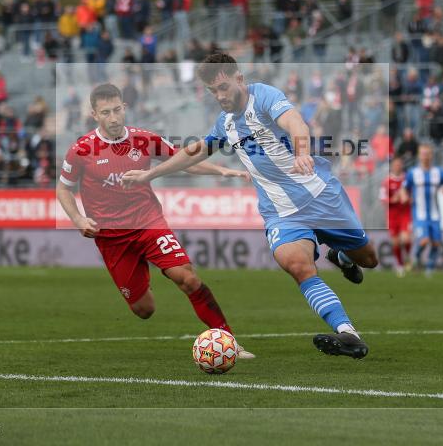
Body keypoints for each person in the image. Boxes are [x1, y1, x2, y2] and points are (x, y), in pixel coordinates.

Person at [123, 53, 376, 359]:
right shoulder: (225, 123)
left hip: (321, 196)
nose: (220, 96)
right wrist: (149, 173)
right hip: (280, 211)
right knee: (298, 265)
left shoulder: (265, 96)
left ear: (239, 79)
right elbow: (197, 151)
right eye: (213, 91)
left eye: (224, 87)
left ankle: (343, 256)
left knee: (369, 259)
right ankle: (347, 333)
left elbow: (295, 122)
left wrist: (302, 152)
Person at [56, 84, 254, 358]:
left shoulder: (144, 140)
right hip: (112, 237)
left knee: (187, 278)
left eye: (116, 110)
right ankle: (141, 275)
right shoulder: (81, 150)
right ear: (94, 115)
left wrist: (221, 169)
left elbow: (183, 160)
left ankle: (229, 340)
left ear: (124, 108)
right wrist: (78, 218)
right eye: (105, 112)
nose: (113, 118)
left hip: (149, 223)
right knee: (144, 310)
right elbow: (63, 188)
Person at [405, 143, 443, 278]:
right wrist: (406, 197)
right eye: (423, 154)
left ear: (431, 155)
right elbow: (405, 189)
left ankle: (429, 269)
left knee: (436, 244)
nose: (425, 157)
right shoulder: (413, 173)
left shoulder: (438, 172)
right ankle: (416, 256)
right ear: (419, 156)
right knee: (424, 240)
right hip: (419, 215)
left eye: (427, 154)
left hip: (435, 214)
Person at [381, 157, 412, 277]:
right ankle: (400, 265)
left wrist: (408, 199)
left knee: (406, 239)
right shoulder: (387, 181)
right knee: (396, 243)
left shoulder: (407, 179)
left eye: (400, 164)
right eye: (396, 164)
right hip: (392, 215)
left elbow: (413, 195)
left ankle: (408, 257)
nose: (398, 166)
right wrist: (393, 200)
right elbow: (383, 198)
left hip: (405, 214)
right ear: (392, 166)